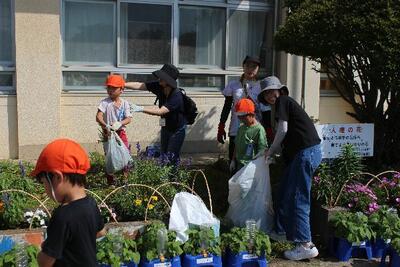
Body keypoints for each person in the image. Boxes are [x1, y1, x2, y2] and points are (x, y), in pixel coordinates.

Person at [258, 76, 322, 261]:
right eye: (267, 93)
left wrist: (270, 151)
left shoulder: (283, 101)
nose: (271, 95)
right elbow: (284, 135)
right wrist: (271, 152)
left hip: (306, 153)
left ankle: (305, 244)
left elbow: (283, 129)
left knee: (298, 198)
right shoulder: (279, 107)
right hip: (302, 155)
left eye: (273, 91)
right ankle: (281, 231)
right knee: (284, 190)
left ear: (280, 91)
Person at [31, 139, 106, 267]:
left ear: (57, 177)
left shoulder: (63, 215)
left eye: (44, 183)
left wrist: (41, 252)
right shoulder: (91, 203)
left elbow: (46, 262)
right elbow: (101, 232)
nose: (45, 189)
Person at [125, 64, 186, 164]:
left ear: (168, 81)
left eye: (162, 77)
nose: (159, 79)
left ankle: (174, 178)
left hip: (177, 130)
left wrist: (140, 108)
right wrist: (122, 84)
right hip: (165, 126)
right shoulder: (159, 86)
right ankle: (164, 177)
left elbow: (161, 111)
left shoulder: (177, 96)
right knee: (164, 154)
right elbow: (140, 85)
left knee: (172, 157)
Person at [217, 56, 266, 165]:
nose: (250, 69)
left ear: (258, 69)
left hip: (255, 129)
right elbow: (227, 107)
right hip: (236, 128)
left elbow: (266, 110)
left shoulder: (261, 86)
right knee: (234, 161)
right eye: (248, 66)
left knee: (253, 163)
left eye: (254, 67)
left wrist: (269, 131)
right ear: (243, 67)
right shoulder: (234, 85)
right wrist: (221, 126)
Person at [96, 74, 132, 185]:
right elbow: (98, 116)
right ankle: (111, 182)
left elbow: (128, 118)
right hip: (108, 134)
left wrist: (119, 123)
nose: (110, 90)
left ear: (121, 89)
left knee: (125, 156)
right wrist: (105, 125)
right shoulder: (105, 102)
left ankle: (126, 180)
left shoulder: (125, 103)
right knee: (110, 157)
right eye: (108, 88)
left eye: (113, 88)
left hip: (121, 133)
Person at [231, 98, 267, 173]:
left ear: (251, 114)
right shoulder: (241, 128)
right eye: (239, 116)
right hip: (239, 164)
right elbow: (236, 145)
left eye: (243, 116)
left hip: (251, 166)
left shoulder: (259, 129)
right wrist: (233, 160)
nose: (240, 119)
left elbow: (262, 149)